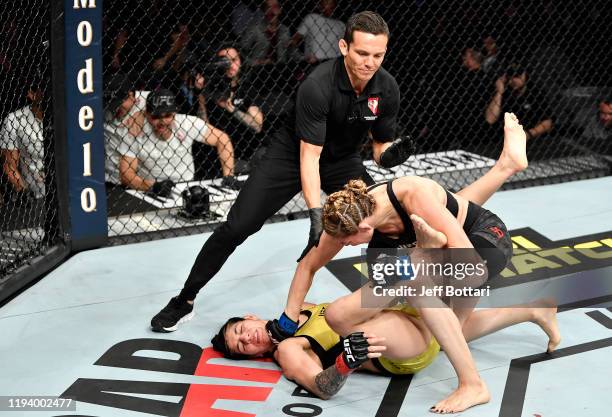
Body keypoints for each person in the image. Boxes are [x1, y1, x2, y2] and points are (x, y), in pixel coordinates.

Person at [150, 11, 414, 331]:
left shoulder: (387, 88)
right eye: (362, 53)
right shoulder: (318, 84)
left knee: (388, 219)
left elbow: (378, 146)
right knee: (237, 226)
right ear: (344, 46)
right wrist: (316, 215)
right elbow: (309, 158)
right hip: (290, 156)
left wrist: (388, 158)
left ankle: (380, 301)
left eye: (378, 55)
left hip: (344, 161)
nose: (370, 62)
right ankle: (185, 299)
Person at [277, 113, 538, 413]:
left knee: (422, 287)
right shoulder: (349, 214)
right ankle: (505, 167)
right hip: (435, 241)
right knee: (420, 294)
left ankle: (473, 384)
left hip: (485, 244)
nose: (344, 247)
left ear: (363, 229)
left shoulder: (413, 194)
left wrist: (423, 261)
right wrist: (287, 318)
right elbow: (308, 265)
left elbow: (473, 268)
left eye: (347, 242)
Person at [211, 293, 559, 400]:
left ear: (251, 316)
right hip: (395, 348)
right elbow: (322, 387)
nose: (246, 339)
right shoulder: (287, 351)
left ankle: (534, 309)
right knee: (368, 317)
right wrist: (345, 364)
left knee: (449, 329)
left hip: (405, 319)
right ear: (255, 356)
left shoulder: (299, 308)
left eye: (241, 330)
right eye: (241, 347)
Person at [119, 89, 242, 194]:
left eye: (167, 116)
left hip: (186, 185)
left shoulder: (187, 123)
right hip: (149, 190)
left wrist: (229, 175)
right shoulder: (134, 131)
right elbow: (126, 174)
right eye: (156, 116)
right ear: (146, 114)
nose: (162, 122)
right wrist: (152, 186)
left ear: (174, 113)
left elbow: (222, 138)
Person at [0, 81, 45, 203]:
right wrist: (23, 191)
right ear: (32, 94)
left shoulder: (68, 116)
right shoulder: (14, 120)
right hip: (35, 195)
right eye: (45, 89)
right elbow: (9, 164)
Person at [486, 63, 553, 141]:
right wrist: (499, 92)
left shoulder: (535, 92)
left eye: (517, 76)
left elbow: (548, 122)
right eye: (510, 76)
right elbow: (490, 119)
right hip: (502, 140)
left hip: (529, 140)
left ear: (525, 75)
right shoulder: (504, 92)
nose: (513, 80)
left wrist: (528, 134)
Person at [291, 0, 345, 65]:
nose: (331, 5)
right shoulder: (311, 18)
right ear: (320, 5)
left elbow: (346, 47)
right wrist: (302, 58)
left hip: (334, 65)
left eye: (332, 3)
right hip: (315, 64)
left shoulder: (341, 25)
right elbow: (294, 40)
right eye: (327, 2)